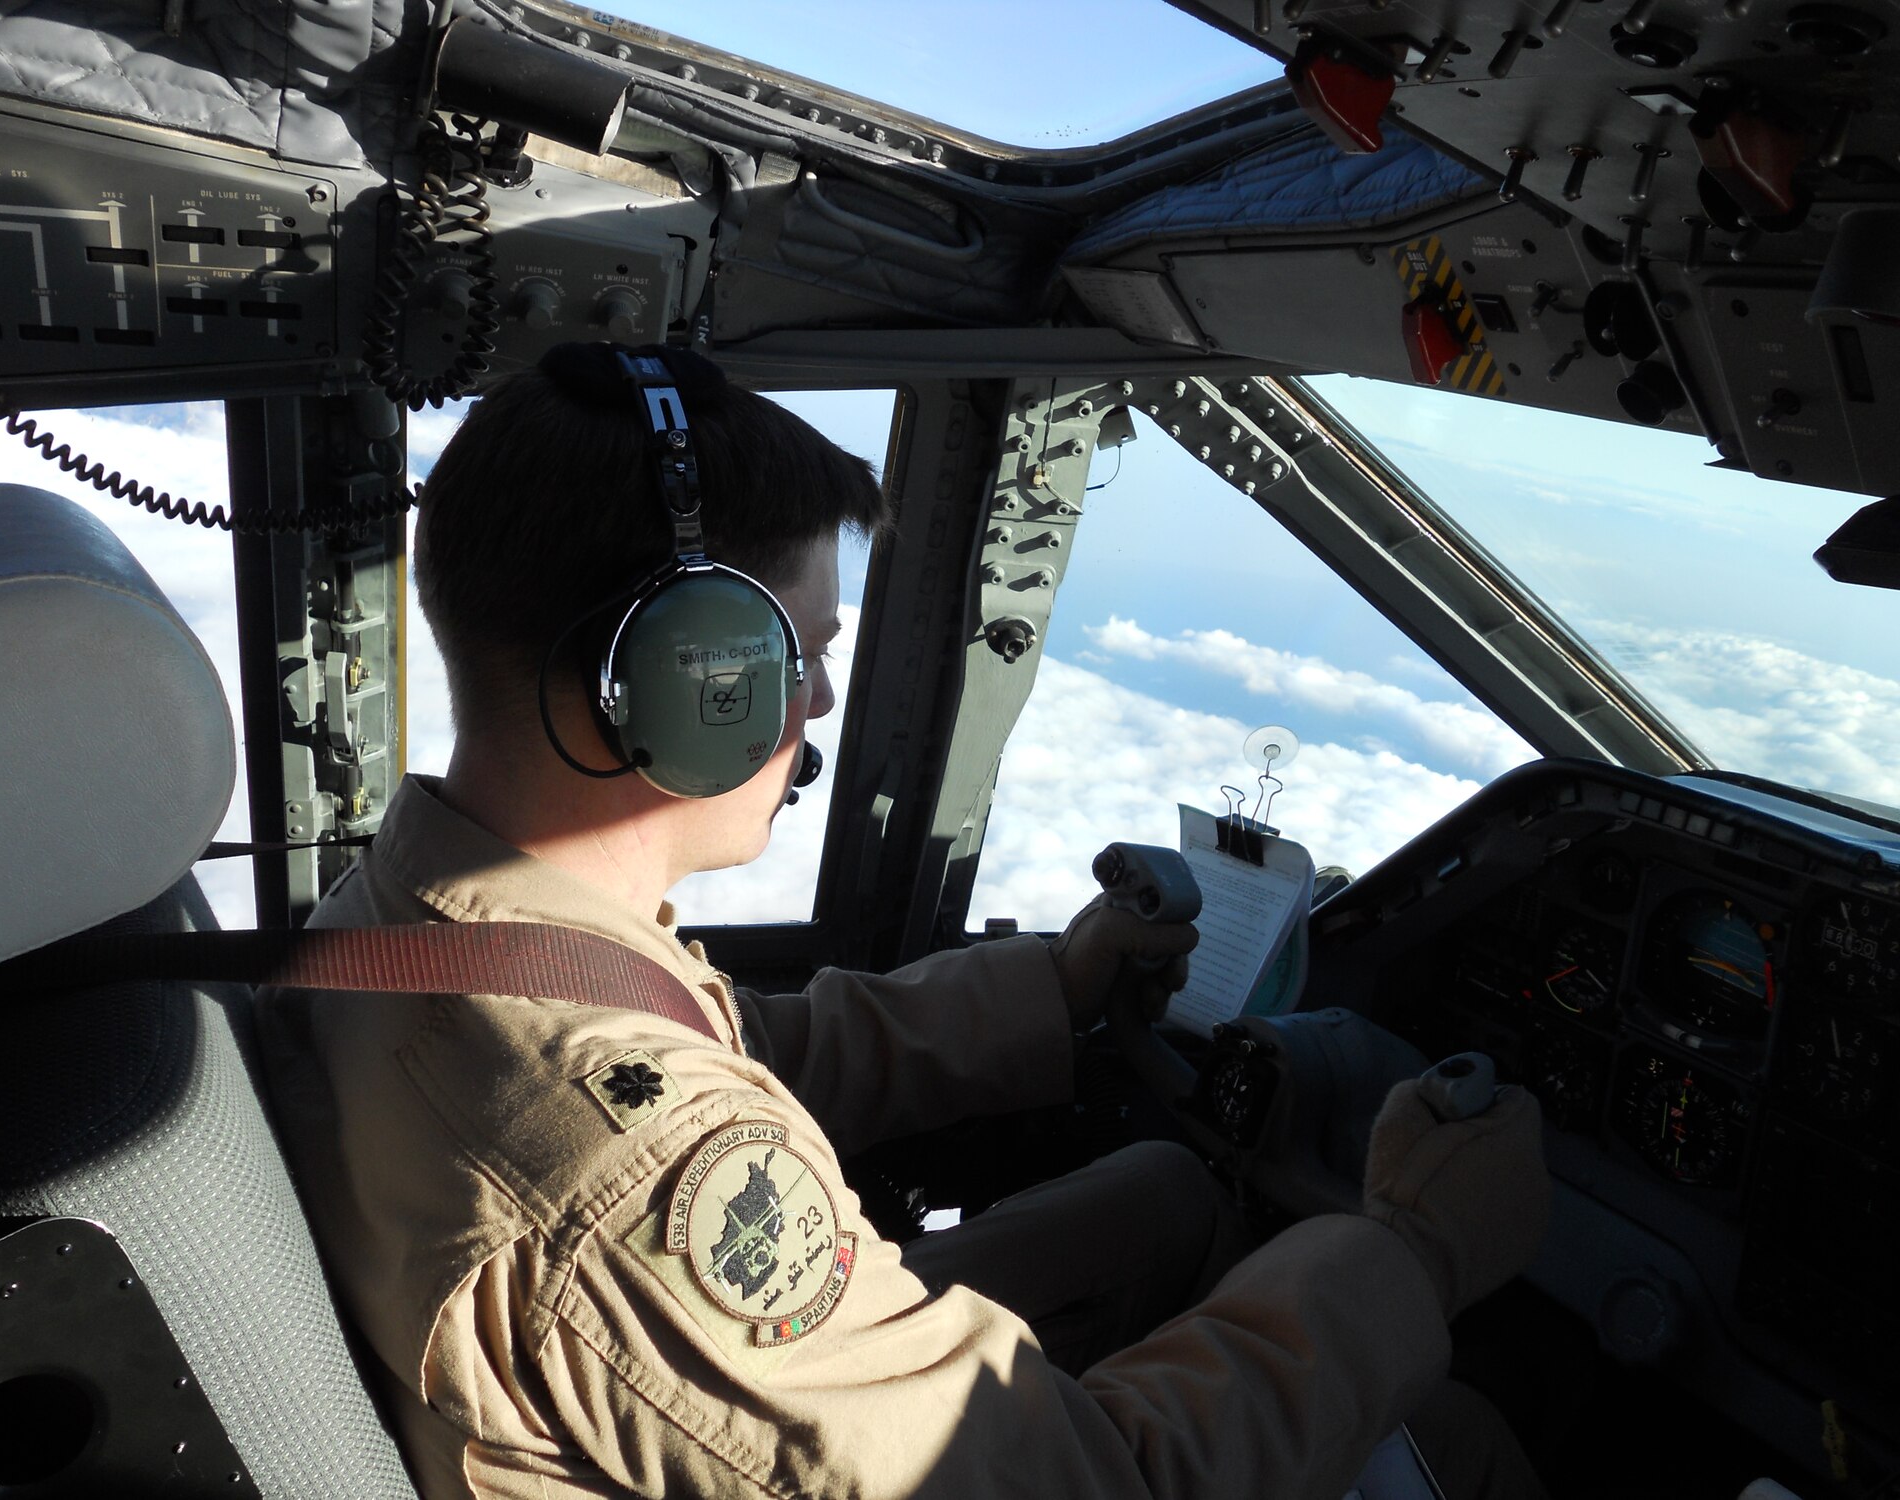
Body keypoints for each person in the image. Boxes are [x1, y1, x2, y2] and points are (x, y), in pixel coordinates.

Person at [256, 342, 1551, 1500]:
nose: (820, 699)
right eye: (803, 652)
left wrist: (1053, 985)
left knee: (1166, 1196)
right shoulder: (635, 1172)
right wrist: (1413, 1252)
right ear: (691, 679)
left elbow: (720, 1048)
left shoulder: (418, 915)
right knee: (1460, 1439)